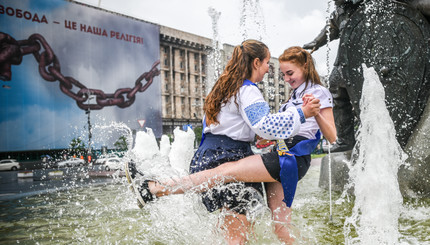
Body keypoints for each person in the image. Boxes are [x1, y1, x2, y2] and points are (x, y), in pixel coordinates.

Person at [126, 44, 334, 244]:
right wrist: (282, 127)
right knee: (278, 227)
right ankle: (153, 189)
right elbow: (265, 125)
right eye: (269, 65)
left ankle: (154, 189)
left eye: (289, 73)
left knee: (229, 190)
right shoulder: (262, 93)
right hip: (266, 154)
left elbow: (331, 135)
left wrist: (309, 113)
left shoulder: (317, 92)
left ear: (305, 68)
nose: (272, 73)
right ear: (255, 62)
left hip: (288, 157)